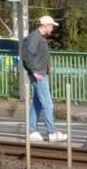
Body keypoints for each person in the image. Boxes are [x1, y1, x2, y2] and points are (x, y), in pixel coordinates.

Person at [21, 13, 65, 142]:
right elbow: (27, 56)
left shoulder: (39, 37)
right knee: (47, 103)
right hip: (39, 74)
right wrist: (34, 71)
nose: (53, 28)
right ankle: (52, 132)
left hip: (41, 73)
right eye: (51, 26)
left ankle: (32, 131)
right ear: (45, 25)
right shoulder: (34, 37)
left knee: (38, 103)